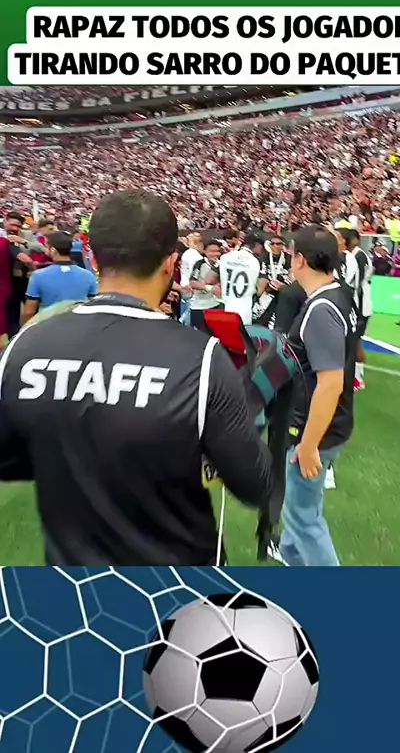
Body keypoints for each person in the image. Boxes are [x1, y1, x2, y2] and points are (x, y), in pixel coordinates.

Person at [0, 191, 272, 565]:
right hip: (178, 581)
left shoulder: (26, 345)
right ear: (171, 264)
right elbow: (254, 482)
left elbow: (10, 457)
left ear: (94, 258)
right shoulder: (202, 358)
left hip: (75, 583)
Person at [272, 226, 357, 566]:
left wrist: (308, 445)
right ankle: (292, 558)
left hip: (314, 430)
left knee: (304, 520)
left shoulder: (320, 309)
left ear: (299, 260)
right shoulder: (338, 294)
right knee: (300, 513)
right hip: (328, 424)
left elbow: (330, 383)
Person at [22, 231, 98, 324]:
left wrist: (24, 327)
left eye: (46, 246)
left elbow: (29, 312)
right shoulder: (88, 275)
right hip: (78, 325)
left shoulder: (38, 276)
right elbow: (94, 304)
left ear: (53, 250)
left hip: (47, 325)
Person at [215, 232, 264, 325]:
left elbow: (210, 279)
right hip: (244, 310)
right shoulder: (257, 262)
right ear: (257, 245)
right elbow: (260, 290)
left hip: (224, 306)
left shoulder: (225, 257)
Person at [349, 231, 373, 392]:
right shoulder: (354, 255)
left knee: (355, 342)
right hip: (359, 304)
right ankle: (354, 375)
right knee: (352, 342)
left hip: (360, 306)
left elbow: (356, 284)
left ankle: (358, 377)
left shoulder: (358, 256)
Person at [256, 234, 292, 326]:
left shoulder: (288, 259)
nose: (275, 246)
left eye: (278, 244)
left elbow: (292, 277)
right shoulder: (263, 257)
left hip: (282, 294)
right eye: (272, 244)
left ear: (283, 245)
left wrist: (284, 286)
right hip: (266, 293)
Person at [189, 239, 223, 330]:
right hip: (199, 307)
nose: (215, 254)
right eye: (212, 251)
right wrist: (209, 288)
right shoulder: (199, 264)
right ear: (205, 252)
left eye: (217, 251)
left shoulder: (222, 264)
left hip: (215, 305)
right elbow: (192, 283)